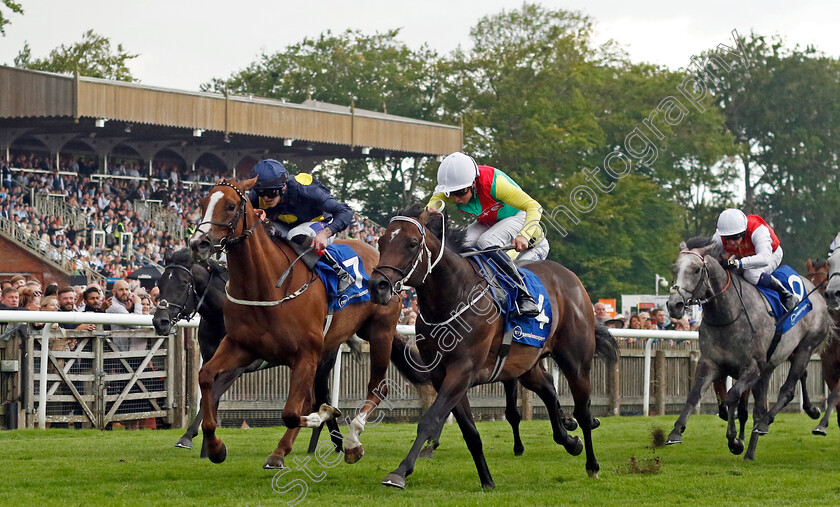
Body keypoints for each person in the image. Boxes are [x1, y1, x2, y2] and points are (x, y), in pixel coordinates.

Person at [425, 152, 548, 317]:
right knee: (461, 244)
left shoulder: (495, 184)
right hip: (492, 222)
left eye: (460, 192)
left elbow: (534, 207)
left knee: (487, 241)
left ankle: (523, 295)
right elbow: (428, 211)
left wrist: (524, 235)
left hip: (521, 217)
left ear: (474, 183)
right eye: (451, 194)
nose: (456, 199)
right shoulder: (453, 187)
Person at [247, 159, 356, 292]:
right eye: (260, 193)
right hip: (287, 227)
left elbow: (345, 211)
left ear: (284, 186)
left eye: (271, 192)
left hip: (319, 224)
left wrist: (325, 233)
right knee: (258, 231)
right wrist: (250, 214)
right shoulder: (257, 196)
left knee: (295, 234)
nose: (265, 198)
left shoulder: (305, 188)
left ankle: (340, 272)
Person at [713, 208, 800, 312]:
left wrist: (738, 263)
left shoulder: (758, 230)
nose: (731, 242)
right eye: (727, 238)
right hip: (743, 254)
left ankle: (787, 295)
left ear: (743, 232)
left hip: (771, 253)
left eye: (735, 237)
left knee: (751, 274)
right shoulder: (719, 236)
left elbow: (764, 258)